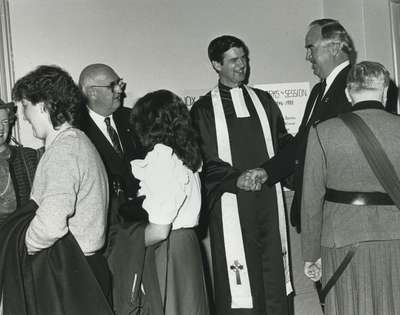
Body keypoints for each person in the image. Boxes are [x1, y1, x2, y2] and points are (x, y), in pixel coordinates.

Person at [191, 35, 292, 315]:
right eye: (234, 60)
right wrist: (235, 179)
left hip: (269, 202)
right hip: (231, 205)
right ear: (215, 64)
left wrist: (271, 170)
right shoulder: (203, 110)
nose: (242, 65)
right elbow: (203, 160)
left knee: (273, 275)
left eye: (244, 58)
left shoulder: (264, 101)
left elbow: (282, 143)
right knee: (240, 281)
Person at [0, 65, 112, 314]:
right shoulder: (79, 141)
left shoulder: (63, 151)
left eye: (25, 105)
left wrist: (17, 250)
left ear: (42, 105)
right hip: (84, 269)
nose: (24, 116)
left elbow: (51, 224)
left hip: (72, 277)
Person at [301, 61, 400, 314]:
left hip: (341, 240)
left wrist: (311, 254)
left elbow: (311, 199)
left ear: (347, 94)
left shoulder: (322, 132)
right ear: (386, 91)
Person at [259, 19, 356, 232]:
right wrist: (266, 172)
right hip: (317, 213)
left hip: (338, 215)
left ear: (335, 47)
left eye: (311, 48)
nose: (307, 56)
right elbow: (303, 143)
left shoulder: (355, 86)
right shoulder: (318, 92)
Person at [130, 90, 209, 315]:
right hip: (188, 245)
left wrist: (125, 244)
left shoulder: (162, 157)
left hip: (169, 249)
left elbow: (160, 229)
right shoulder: (187, 154)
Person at [78, 63, 144, 229]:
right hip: (107, 224)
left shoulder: (133, 118)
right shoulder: (77, 130)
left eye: (119, 84)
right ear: (92, 92)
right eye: (112, 86)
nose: (120, 90)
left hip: (143, 217)